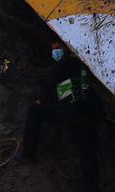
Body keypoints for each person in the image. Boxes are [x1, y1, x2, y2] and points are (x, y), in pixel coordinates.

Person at [17, 40, 101, 192]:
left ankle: (28, 154)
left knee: (34, 111)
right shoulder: (81, 66)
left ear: (66, 48)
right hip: (87, 112)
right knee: (87, 152)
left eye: (57, 48)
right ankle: (92, 187)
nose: (55, 51)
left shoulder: (68, 62)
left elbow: (50, 82)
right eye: (53, 49)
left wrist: (41, 100)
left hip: (73, 109)